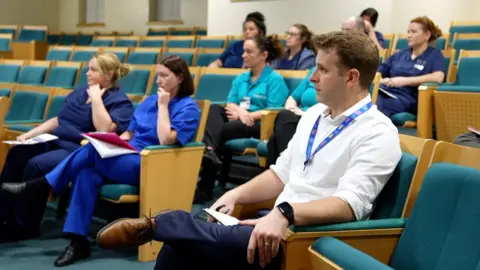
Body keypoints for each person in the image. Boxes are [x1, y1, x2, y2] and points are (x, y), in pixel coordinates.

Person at [95, 31, 402, 270]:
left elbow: (350, 205)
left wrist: (284, 214)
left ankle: (162, 223)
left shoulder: (377, 131)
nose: (312, 77)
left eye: (322, 70)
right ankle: (168, 224)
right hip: (273, 225)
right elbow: (280, 175)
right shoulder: (313, 116)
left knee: (182, 239)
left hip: (307, 237)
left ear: (351, 77)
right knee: (179, 248)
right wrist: (236, 195)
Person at [1, 55, 201, 267]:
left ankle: (40, 184)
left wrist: (163, 106)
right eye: (157, 75)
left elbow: (165, 140)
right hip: (128, 155)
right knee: (85, 172)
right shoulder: (148, 101)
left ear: (179, 78)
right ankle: (78, 242)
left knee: (92, 152)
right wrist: (113, 142)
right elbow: (130, 135)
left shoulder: (187, 108)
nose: (158, 81)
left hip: (150, 162)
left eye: (164, 76)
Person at [0, 52, 134, 241]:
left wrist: (96, 99)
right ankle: (2, 216)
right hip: (54, 140)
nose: (87, 73)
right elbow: (58, 120)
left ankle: (24, 226)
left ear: (110, 73)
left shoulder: (119, 101)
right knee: (17, 154)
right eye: (88, 68)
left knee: (36, 165)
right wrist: (28, 135)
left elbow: (105, 129)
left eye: (93, 70)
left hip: (78, 150)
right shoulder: (80, 92)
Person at [195, 35, 289, 204]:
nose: (244, 55)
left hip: (259, 124)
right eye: (244, 51)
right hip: (238, 118)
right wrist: (239, 111)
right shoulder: (241, 78)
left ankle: (206, 177)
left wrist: (250, 115)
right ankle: (210, 154)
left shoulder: (274, 80)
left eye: (249, 52)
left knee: (221, 131)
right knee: (214, 109)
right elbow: (230, 102)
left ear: (263, 55)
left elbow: (275, 109)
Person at [376, 16, 445, 118]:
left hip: (407, 98)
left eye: (413, 32)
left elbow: (438, 77)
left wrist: (403, 81)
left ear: (427, 35)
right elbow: (379, 71)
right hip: (385, 91)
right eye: (408, 31)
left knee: (375, 103)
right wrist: (381, 80)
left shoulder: (434, 55)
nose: (409, 35)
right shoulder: (400, 54)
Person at [266, 67, 317, 166]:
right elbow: (292, 98)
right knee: (284, 117)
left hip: (317, 121)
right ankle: (287, 170)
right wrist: (292, 109)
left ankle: (285, 169)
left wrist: (305, 114)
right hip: (299, 118)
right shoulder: (313, 71)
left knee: (275, 138)